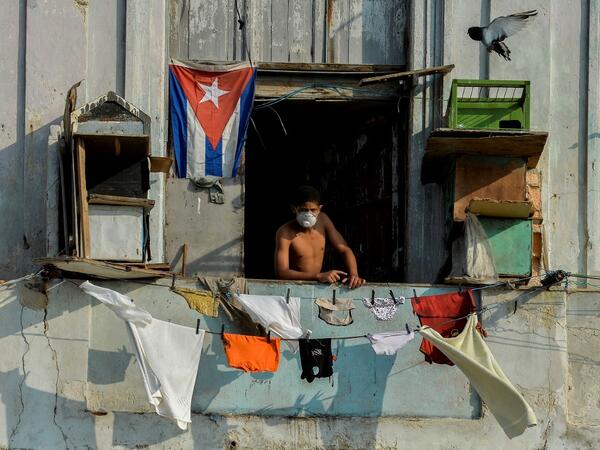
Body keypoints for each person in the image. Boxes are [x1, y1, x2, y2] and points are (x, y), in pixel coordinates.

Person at [274, 186, 366, 289]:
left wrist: (354, 274)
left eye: (313, 210)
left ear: (319, 209)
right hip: (295, 287)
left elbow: (344, 249)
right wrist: (318, 276)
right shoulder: (284, 232)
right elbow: (282, 272)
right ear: (294, 209)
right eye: (303, 210)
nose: (308, 214)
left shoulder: (323, 220)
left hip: (318, 286)